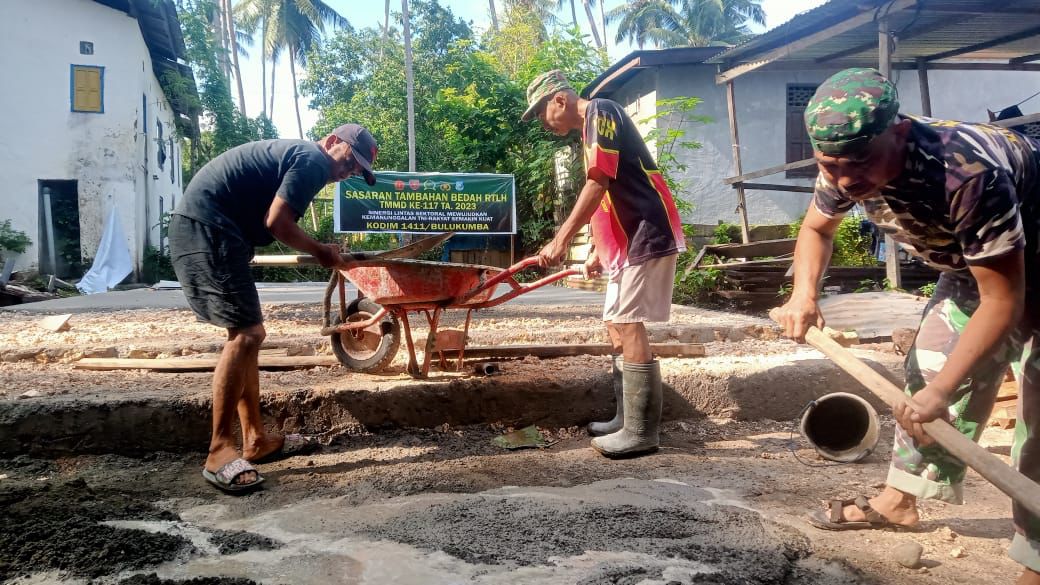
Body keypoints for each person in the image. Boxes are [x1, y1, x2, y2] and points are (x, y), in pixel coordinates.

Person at [772, 68, 1040, 582]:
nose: (846, 178)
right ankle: (900, 500)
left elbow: (1004, 300)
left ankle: (1036, 559)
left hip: (1020, 265)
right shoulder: (844, 159)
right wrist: (803, 295)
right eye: (832, 164)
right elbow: (816, 228)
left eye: (860, 162)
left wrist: (946, 391)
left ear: (897, 131)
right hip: (974, 266)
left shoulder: (965, 172)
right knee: (926, 375)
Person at [169, 124, 379, 493]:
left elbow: (269, 217)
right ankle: (219, 449)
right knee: (248, 335)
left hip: (216, 231)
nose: (350, 172)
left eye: (359, 170)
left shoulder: (301, 158)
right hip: (209, 230)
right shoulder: (313, 159)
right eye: (351, 161)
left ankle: (255, 440)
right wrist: (322, 252)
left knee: (246, 334)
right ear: (333, 142)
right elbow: (278, 222)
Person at [521, 70, 686, 458]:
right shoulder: (591, 129)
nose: (544, 123)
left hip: (646, 231)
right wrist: (597, 249)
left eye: (542, 113)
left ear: (559, 100)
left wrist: (561, 239)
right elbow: (609, 193)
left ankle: (642, 432)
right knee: (614, 320)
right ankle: (626, 418)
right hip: (626, 240)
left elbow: (598, 183)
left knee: (628, 321)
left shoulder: (602, 111)